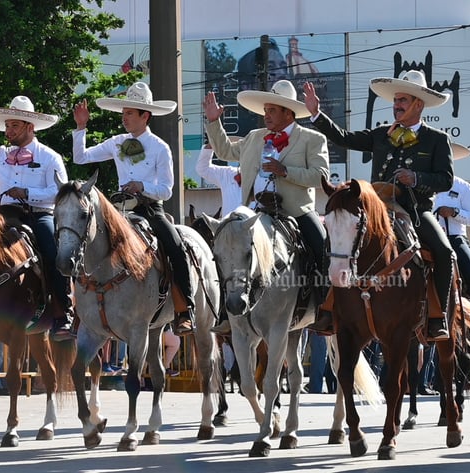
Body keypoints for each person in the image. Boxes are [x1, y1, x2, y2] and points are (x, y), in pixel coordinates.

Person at [303, 70, 455, 340]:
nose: (397, 105)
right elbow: (344, 138)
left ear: (418, 104)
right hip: (376, 210)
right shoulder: (381, 134)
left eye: (403, 100)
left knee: (444, 251)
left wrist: (416, 178)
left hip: (415, 211)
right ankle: (328, 309)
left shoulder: (437, 139)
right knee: (339, 244)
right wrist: (316, 115)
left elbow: (445, 179)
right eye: (395, 100)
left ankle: (437, 317)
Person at [203, 79, 331, 333]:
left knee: (323, 247)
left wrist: (286, 171)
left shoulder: (312, 139)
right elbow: (225, 150)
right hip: (254, 212)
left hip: (296, 211)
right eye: (266, 110)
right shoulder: (254, 137)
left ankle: (327, 309)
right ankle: (223, 312)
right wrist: (214, 121)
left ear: (288, 112)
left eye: (272, 110)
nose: (266, 115)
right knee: (224, 248)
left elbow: (321, 176)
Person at [73, 82, 197, 336]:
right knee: (87, 241)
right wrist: (81, 127)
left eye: (129, 113)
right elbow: (81, 157)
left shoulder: (160, 147)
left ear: (145, 116)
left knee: (175, 246)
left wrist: (142, 186)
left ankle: (184, 310)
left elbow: (167, 190)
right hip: (119, 212)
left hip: (150, 210)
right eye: (124, 112)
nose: (124, 118)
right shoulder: (117, 142)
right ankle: (82, 311)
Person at [0, 95, 74, 340]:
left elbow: (60, 193)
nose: (8, 130)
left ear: (29, 127)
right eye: (7, 125)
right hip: (5, 215)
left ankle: (62, 314)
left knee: (54, 252)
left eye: (14, 126)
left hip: (40, 214)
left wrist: (27, 193)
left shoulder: (49, 156)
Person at [194, 142, 242, 336]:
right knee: (218, 273)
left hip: (255, 235)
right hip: (228, 237)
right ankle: (224, 316)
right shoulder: (227, 173)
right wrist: (209, 146)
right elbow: (202, 169)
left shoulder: (264, 173)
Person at [433, 152, 470, 308]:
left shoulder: (463, 187)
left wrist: (454, 212)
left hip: (455, 237)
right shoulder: (420, 185)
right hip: (426, 237)